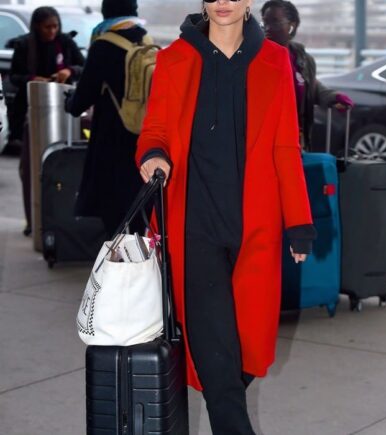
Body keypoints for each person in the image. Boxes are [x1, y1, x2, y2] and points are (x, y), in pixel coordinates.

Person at [136, 0, 317, 433]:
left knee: (244, 354)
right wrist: (153, 154)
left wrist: (299, 221)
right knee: (216, 355)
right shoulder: (174, 58)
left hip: (255, 225)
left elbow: (285, 147)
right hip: (191, 223)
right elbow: (155, 128)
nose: (223, 2)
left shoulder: (275, 60)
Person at [65, 0, 147, 236]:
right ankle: (143, 261)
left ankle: (117, 264)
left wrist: (69, 103)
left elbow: (82, 99)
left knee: (113, 209)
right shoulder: (146, 41)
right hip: (143, 136)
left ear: (106, 12)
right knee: (139, 204)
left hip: (111, 138)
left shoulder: (104, 45)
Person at [10, 6, 85, 236]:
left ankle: (60, 219)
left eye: (55, 26)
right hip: (32, 115)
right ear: (37, 27)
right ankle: (33, 220)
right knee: (30, 168)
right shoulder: (24, 46)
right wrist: (34, 79)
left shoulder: (65, 42)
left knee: (62, 169)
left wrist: (69, 71)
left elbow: (84, 67)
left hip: (65, 116)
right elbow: (14, 77)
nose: (52, 31)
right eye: (47, 27)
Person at [261, 0, 354, 149]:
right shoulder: (257, 58)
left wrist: (333, 97)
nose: (268, 28)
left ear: (292, 25)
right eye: (265, 22)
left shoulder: (302, 59)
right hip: (265, 140)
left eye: (275, 22)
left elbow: (309, 85)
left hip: (296, 139)